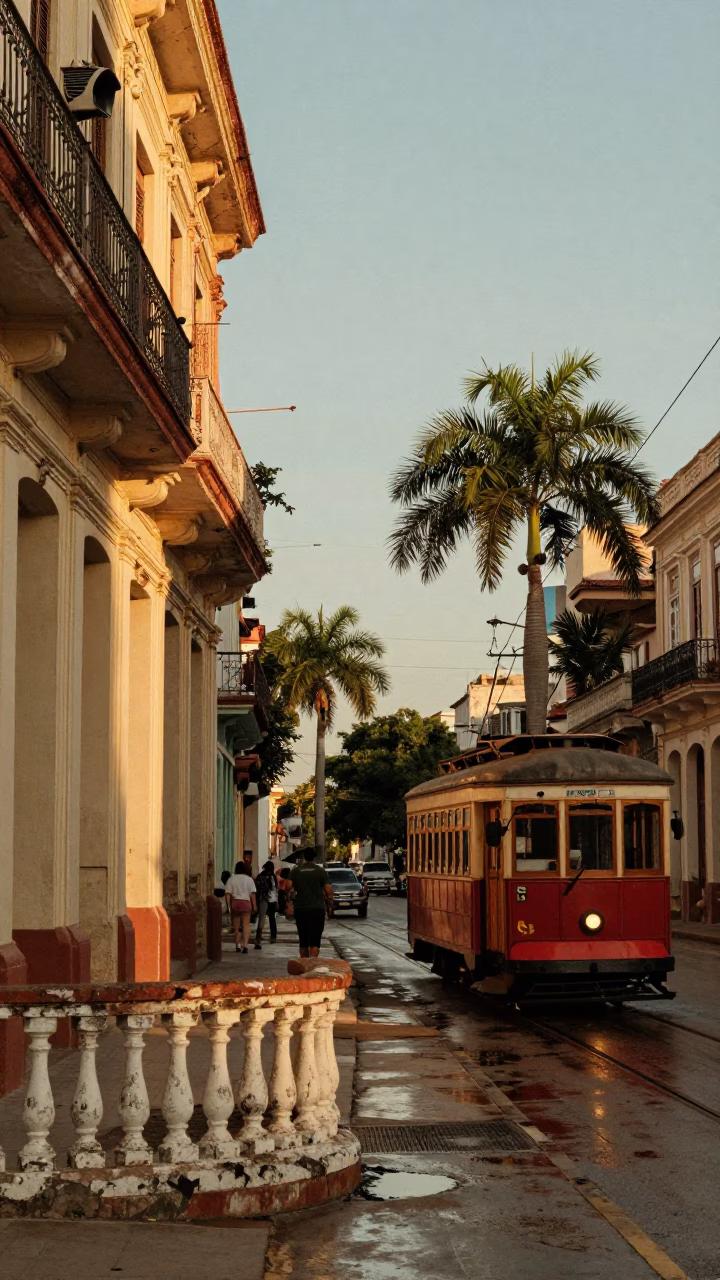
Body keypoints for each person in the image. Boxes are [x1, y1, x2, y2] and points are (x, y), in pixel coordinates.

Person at [288, 848, 333, 958]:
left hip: (301, 908)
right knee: (315, 940)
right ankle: (312, 966)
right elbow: (328, 890)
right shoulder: (320, 871)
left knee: (303, 940)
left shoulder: (296, 870)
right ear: (314, 857)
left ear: (304, 857)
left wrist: (289, 901)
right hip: (317, 908)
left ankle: (304, 966)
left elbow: (288, 887)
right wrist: (330, 903)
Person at [225, 860, 256, 953]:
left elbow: (228, 894)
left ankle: (238, 945)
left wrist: (228, 906)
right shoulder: (249, 879)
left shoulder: (231, 879)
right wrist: (255, 907)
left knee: (236, 926)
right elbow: (252, 894)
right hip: (246, 903)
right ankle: (245, 945)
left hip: (235, 903)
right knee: (246, 925)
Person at [254, 859, 279, 949]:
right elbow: (276, 890)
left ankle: (258, 938)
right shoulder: (274, 877)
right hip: (272, 900)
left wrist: (256, 903)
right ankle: (273, 937)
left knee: (261, 919)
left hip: (263, 900)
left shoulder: (260, 876)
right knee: (272, 919)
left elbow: (257, 891)